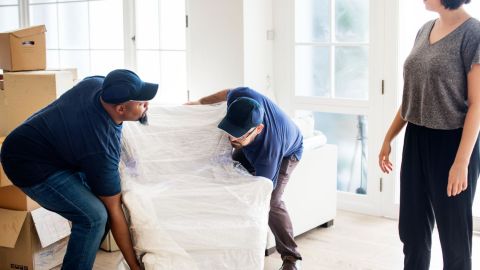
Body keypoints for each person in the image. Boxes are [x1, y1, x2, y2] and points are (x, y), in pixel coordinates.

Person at [0, 69, 158, 270]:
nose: (147, 105)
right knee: (94, 218)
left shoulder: (97, 84)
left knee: (98, 213)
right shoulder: (100, 147)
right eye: (141, 102)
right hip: (26, 162)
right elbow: (113, 208)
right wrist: (135, 266)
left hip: (50, 148)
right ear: (120, 109)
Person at [378, 0, 480, 269]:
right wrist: (389, 137)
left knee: (455, 240)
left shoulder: (473, 34)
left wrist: (461, 162)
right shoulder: (424, 29)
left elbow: (478, 105)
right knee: (412, 233)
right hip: (416, 139)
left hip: (452, 144)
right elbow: (412, 96)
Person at [187, 87, 304, 270]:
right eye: (230, 130)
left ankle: (291, 257)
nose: (231, 137)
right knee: (226, 173)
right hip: (251, 145)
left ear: (258, 128)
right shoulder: (242, 96)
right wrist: (199, 102)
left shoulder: (268, 154)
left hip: (288, 152)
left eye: (239, 133)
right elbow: (226, 93)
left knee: (272, 201)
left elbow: (260, 197)